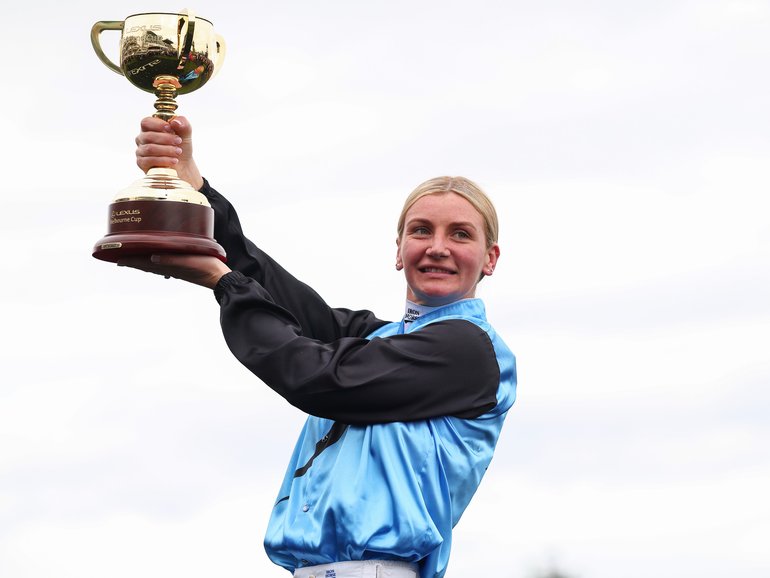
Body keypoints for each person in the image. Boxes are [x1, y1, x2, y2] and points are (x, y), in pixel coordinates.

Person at [123, 116, 517, 578]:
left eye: (461, 234)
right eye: (421, 230)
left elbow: (317, 377)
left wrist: (222, 281)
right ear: (398, 250)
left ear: (490, 258)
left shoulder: (469, 351)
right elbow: (278, 292)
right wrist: (197, 190)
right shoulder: (379, 340)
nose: (437, 247)